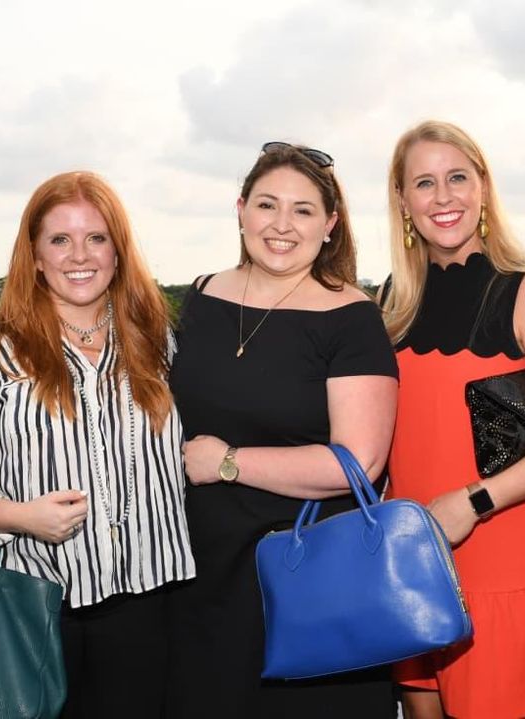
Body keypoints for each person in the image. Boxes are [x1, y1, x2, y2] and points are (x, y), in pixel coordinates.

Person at [0, 171, 196, 719]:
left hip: (151, 602)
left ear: (118, 251)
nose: (80, 256)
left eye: (96, 238)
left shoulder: (156, 341)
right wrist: (20, 516)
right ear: (35, 254)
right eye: (60, 239)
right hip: (31, 609)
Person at [167, 142, 399, 718]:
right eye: (267, 205)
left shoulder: (352, 318)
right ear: (241, 209)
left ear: (330, 226)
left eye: (302, 210)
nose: (281, 225)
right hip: (198, 573)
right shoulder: (198, 297)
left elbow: (359, 462)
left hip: (307, 575)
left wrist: (228, 462)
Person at [381, 120, 525, 719]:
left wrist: (471, 504)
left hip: (497, 548)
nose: (443, 197)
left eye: (457, 178)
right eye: (424, 183)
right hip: (415, 560)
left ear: (483, 187)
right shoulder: (389, 307)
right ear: (402, 200)